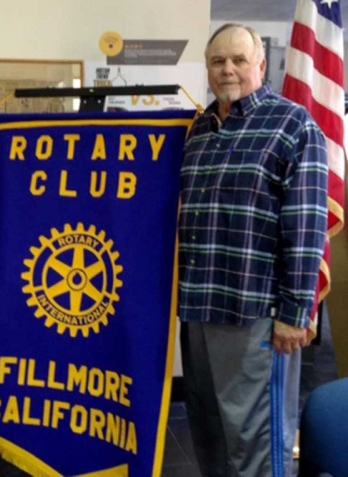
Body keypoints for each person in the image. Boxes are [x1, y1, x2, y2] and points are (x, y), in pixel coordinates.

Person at [178, 24, 328, 477]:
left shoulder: (293, 125)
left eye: (238, 60)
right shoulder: (198, 131)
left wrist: (294, 313)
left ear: (261, 64)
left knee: (256, 444)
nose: (227, 70)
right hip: (198, 310)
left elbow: (305, 227)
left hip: (256, 316)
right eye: (218, 61)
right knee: (209, 434)